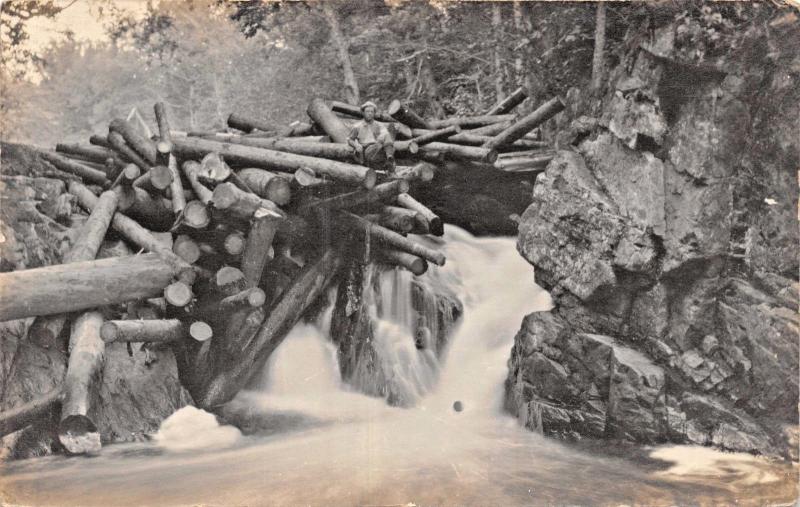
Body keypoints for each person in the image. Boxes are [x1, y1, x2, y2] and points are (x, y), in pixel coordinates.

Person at [348, 101, 396, 173]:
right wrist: (356, 145)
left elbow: (385, 133)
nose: (370, 113)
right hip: (366, 150)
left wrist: (381, 137)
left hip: (378, 147)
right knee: (384, 146)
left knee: (387, 137)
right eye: (367, 111)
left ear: (374, 113)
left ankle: (389, 158)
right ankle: (389, 161)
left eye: (372, 112)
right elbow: (350, 139)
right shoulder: (357, 126)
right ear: (363, 113)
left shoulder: (379, 125)